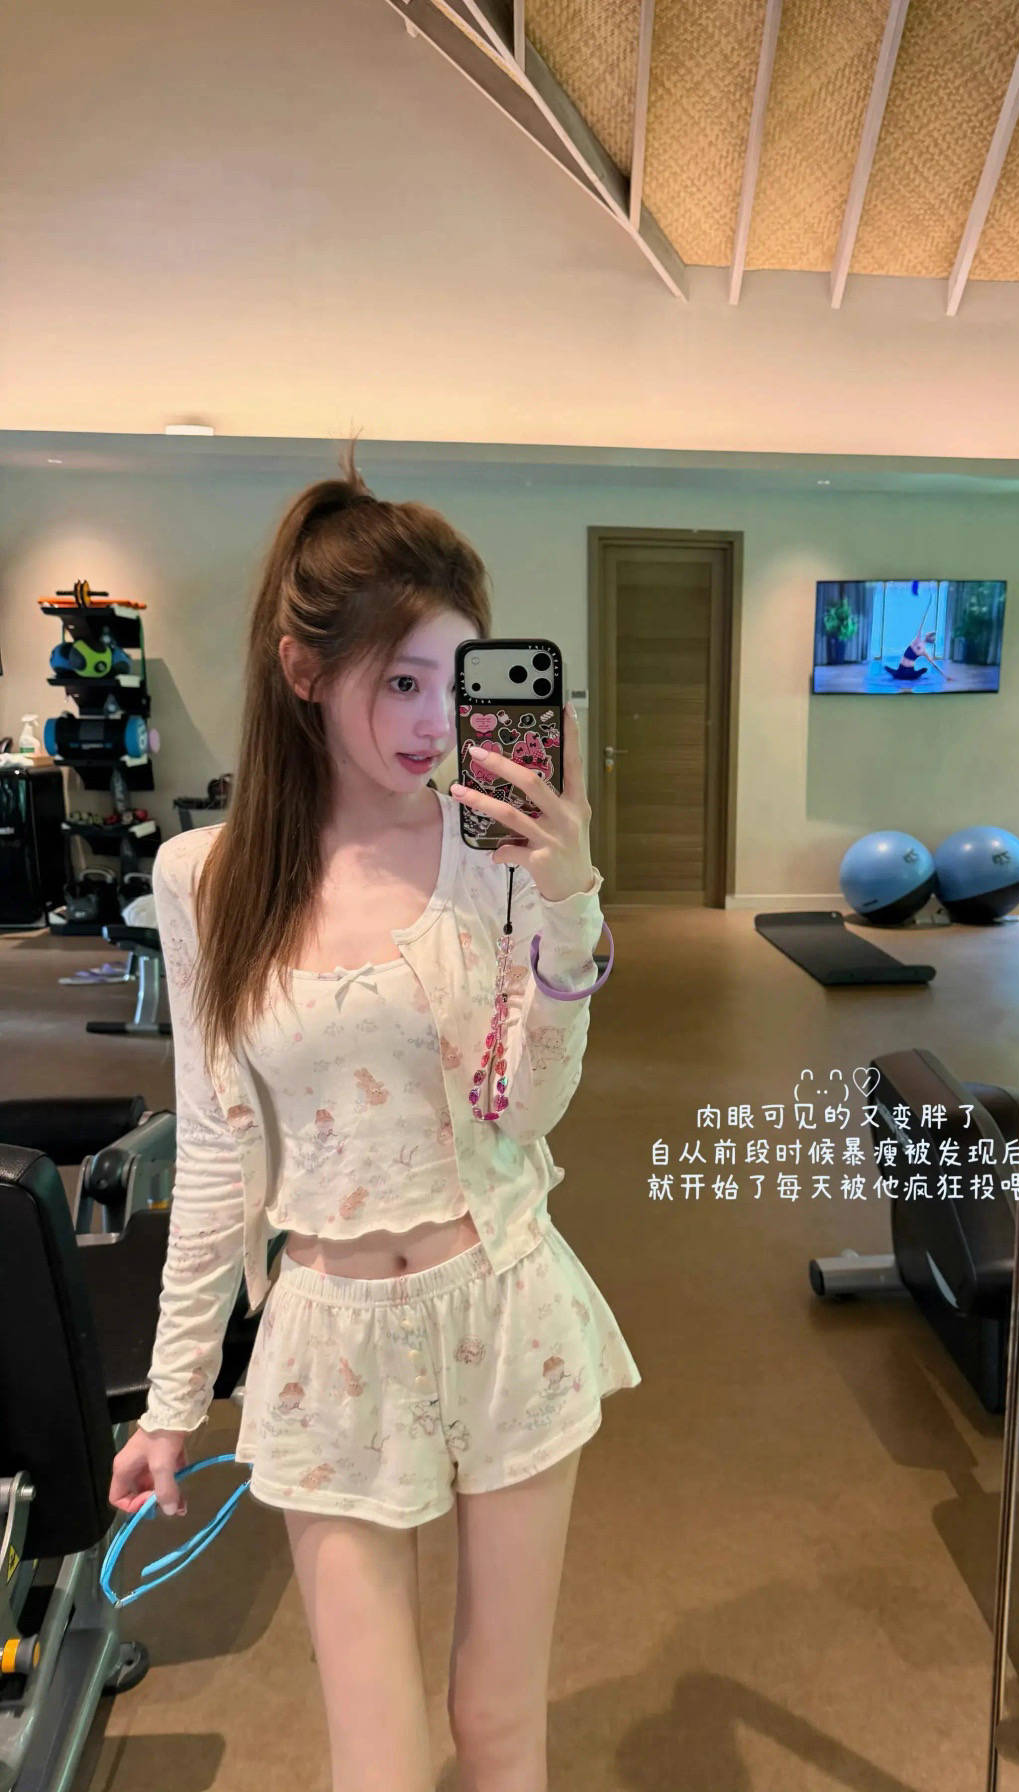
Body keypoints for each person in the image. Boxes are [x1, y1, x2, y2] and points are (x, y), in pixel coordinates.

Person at [107, 441, 640, 1792]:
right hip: (328, 1339)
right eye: (399, 680)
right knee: (380, 1755)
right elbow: (215, 1146)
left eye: (455, 681)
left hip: (502, 1305)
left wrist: (570, 904)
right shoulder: (205, 878)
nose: (432, 720)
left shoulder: (490, 856)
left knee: (498, 1726)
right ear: (303, 670)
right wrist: (173, 1399)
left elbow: (527, 1106)